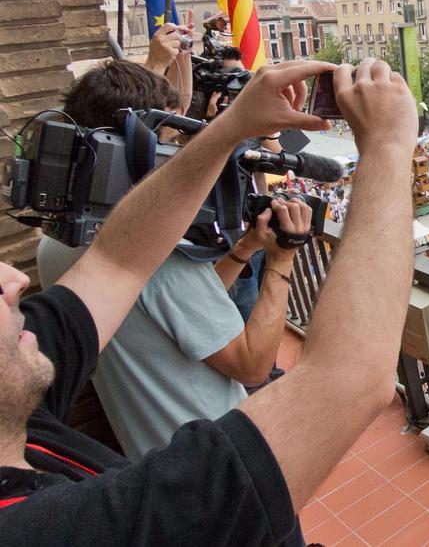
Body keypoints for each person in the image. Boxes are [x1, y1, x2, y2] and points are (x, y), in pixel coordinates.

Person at [2, 58, 420, 542]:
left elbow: (119, 262)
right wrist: (388, 147)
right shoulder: (77, 527)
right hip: (208, 452)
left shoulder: (54, 256)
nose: (13, 280)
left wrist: (232, 126)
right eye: (172, 137)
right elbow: (342, 377)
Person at [38, 56, 315, 460]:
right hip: (215, 466)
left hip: (151, 456)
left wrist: (244, 250)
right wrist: (283, 258)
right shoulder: (155, 258)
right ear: (123, 146)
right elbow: (253, 365)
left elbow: (178, 314)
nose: (179, 153)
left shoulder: (59, 241)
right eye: (169, 138)